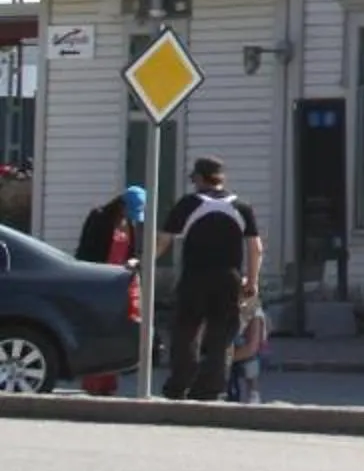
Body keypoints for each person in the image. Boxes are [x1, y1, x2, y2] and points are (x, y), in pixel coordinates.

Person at [159, 157, 260, 403]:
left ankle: (179, 384)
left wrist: (144, 262)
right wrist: (252, 281)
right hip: (229, 277)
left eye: (194, 178)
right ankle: (211, 387)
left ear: (201, 179)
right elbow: (255, 247)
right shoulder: (242, 207)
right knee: (222, 334)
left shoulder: (189, 204)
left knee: (185, 330)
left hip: (195, 276)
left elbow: (163, 241)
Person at [76, 185, 146, 398]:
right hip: (98, 280)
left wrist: (134, 261)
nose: (129, 217)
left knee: (114, 331)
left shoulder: (132, 225)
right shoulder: (99, 217)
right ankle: (92, 381)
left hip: (121, 282)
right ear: (121, 204)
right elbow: (86, 249)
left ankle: (108, 381)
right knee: (97, 329)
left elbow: (135, 250)